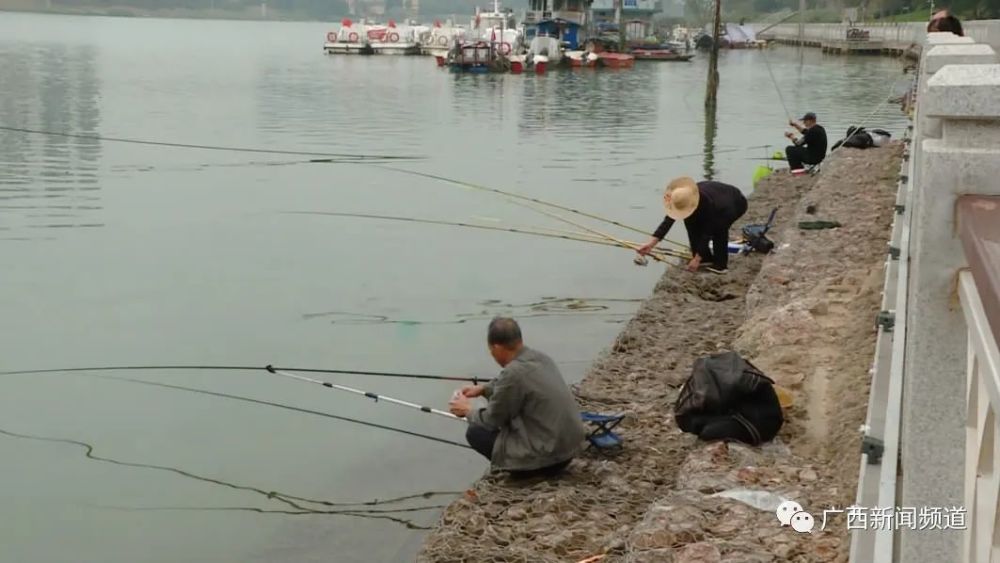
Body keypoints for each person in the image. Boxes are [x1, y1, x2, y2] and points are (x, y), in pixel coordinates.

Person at [448, 317, 585, 478]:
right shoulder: (540, 358)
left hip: (548, 460)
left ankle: (521, 472)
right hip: (569, 449)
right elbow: (511, 384)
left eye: (491, 350)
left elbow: (491, 420)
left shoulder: (513, 374)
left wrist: (467, 411)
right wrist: (483, 389)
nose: (492, 354)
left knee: (476, 432)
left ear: (497, 347)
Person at [636, 176, 748, 274]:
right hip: (716, 197)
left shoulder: (706, 202)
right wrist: (651, 244)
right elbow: (668, 222)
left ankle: (721, 266)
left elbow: (707, 232)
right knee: (690, 221)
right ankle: (705, 258)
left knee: (718, 229)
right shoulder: (681, 198)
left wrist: (696, 259)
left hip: (734, 203)